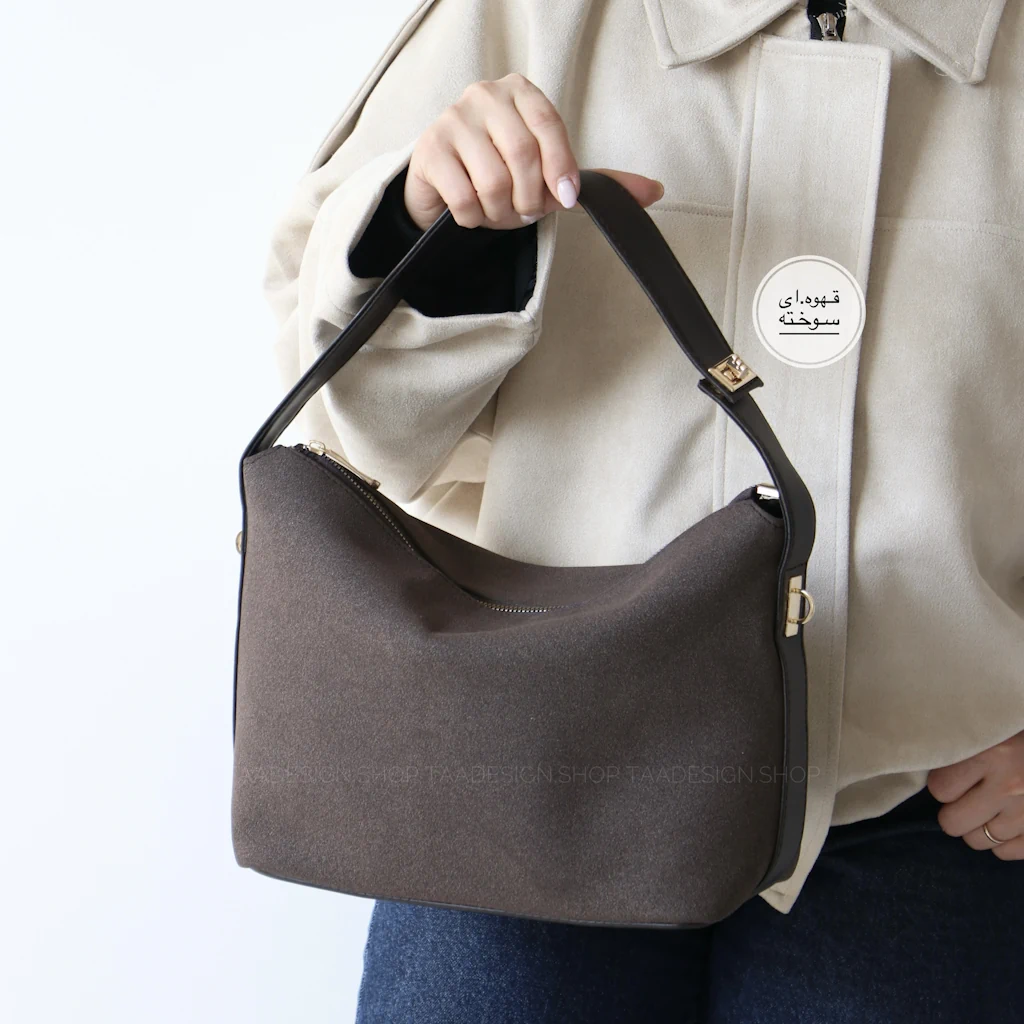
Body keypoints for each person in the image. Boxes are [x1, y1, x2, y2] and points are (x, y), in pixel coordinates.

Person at [260, 0, 1024, 1019]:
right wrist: (431, 224)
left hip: (937, 805)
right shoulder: (532, 15)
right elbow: (342, 421)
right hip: (522, 761)